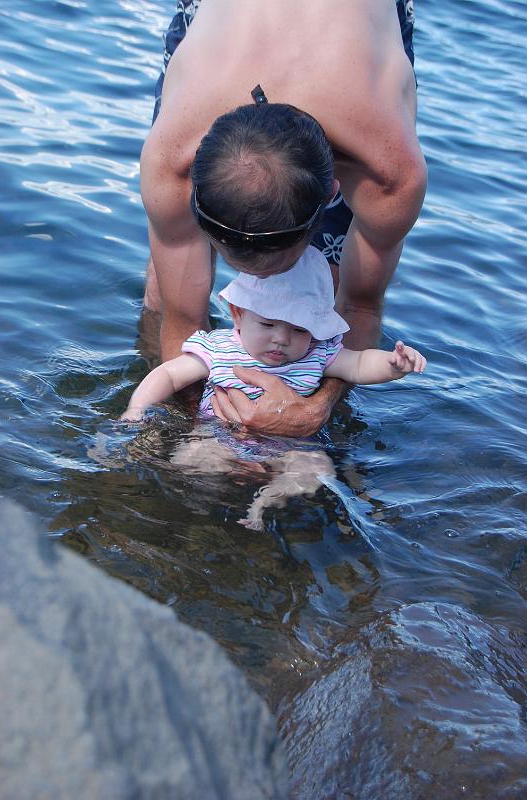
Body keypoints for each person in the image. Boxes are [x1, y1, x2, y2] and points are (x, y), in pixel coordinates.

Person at [140, 0, 427, 436]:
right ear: (195, 188)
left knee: (318, 298)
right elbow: (181, 317)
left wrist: (314, 410)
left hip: (360, 42)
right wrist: (197, 431)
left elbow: (360, 304)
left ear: (333, 192)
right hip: (218, 23)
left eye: (277, 263)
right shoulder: (171, 158)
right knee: (169, 286)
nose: (261, 283)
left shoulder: (389, 171)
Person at [123, 247, 426, 528]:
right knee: (194, 456)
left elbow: (359, 365)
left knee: (317, 468)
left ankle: (262, 505)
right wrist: (137, 409)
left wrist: (394, 365)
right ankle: (198, 512)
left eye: (299, 329)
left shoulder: (317, 353)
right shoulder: (220, 349)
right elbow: (169, 375)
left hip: (290, 447)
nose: (281, 339)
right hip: (217, 435)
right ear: (237, 314)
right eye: (268, 324)